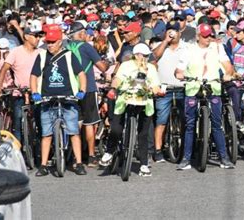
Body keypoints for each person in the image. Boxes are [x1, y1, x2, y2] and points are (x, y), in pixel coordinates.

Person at [175, 23, 235, 170]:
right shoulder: (189, 49)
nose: (209, 38)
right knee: (190, 125)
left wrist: (228, 74)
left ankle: (224, 158)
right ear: (198, 36)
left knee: (216, 123)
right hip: (193, 88)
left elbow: (227, 65)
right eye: (205, 35)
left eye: (210, 35)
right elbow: (179, 70)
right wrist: (180, 74)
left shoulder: (217, 47)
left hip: (213, 87)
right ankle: (186, 158)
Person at [30, 26, 88, 176]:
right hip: (47, 99)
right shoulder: (42, 56)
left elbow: (81, 74)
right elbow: (34, 76)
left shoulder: (69, 55)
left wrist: (82, 91)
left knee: (74, 131)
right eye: (47, 42)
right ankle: (43, 165)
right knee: (46, 134)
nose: (49, 45)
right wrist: (35, 92)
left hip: (68, 98)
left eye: (52, 42)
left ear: (60, 42)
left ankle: (79, 163)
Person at [99, 43, 160, 177]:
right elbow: (118, 79)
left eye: (146, 56)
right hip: (125, 99)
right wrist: (114, 89)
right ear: (135, 55)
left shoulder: (151, 68)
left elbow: (156, 85)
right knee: (116, 128)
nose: (144, 58)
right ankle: (109, 152)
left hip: (145, 102)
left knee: (143, 134)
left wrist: (156, 90)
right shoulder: (126, 66)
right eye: (142, 55)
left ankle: (144, 164)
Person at [67, 22, 109, 167]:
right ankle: (91, 156)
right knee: (89, 123)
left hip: (70, 90)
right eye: (85, 33)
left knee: (74, 124)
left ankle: (75, 156)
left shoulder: (65, 47)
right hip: (88, 88)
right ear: (81, 34)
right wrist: (107, 64)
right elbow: (102, 67)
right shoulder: (86, 47)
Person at [0, 24, 42, 141]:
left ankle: (41, 151)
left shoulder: (41, 52)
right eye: (35, 36)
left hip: (38, 93)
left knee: (41, 123)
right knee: (17, 123)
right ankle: (18, 151)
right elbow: (4, 69)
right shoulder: (16, 52)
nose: (38, 38)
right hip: (19, 93)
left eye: (39, 36)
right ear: (26, 36)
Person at [152, 22, 187, 163]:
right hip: (164, 89)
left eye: (175, 31)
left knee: (186, 119)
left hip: (182, 88)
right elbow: (153, 57)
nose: (172, 33)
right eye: (169, 31)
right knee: (161, 120)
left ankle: (185, 148)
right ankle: (158, 150)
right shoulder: (160, 46)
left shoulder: (186, 48)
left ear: (180, 33)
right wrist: (165, 41)